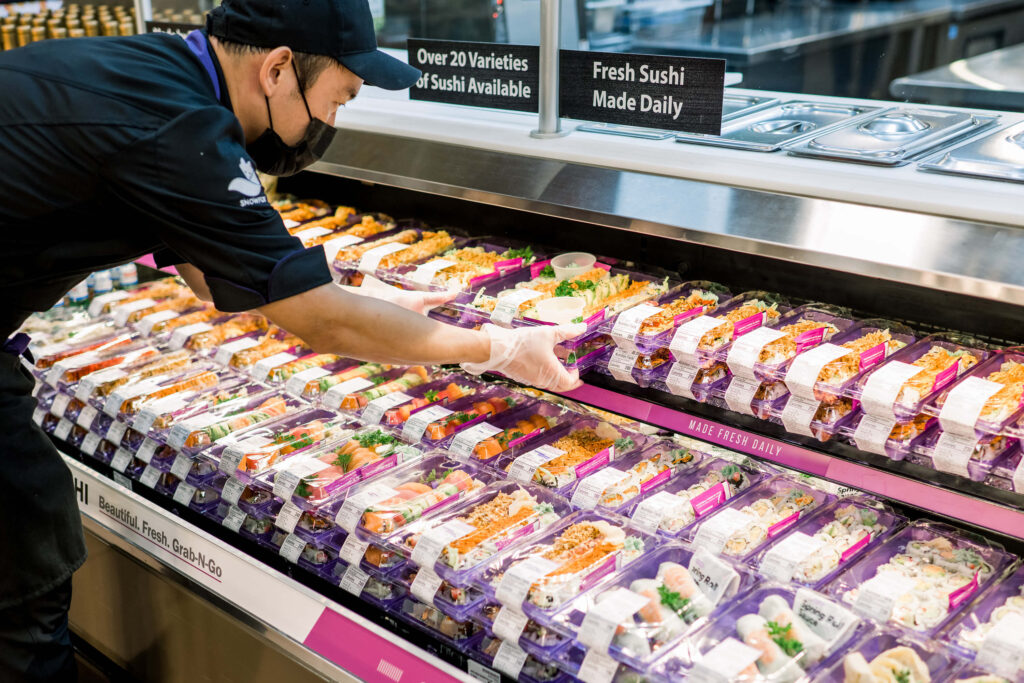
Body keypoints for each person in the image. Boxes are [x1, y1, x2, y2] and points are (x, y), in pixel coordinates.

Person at [0, 0, 583, 679]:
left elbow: (213, 278)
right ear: (278, 69)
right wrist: (496, 349)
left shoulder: (162, 79)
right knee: (26, 566)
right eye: (338, 98)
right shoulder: (181, 126)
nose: (331, 122)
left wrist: (380, 300)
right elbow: (318, 319)